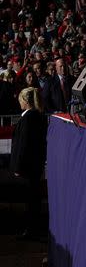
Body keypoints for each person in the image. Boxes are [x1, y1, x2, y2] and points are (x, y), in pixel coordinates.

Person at [10, 86, 47, 239]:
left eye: (20, 100)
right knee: (34, 198)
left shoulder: (28, 118)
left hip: (28, 166)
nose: (19, 103)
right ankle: (33, 228)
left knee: (30, 199)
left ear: (25, 101)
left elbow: (23, 144)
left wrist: (18, 166)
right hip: (35, 165)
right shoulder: (36, 116)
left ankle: (31, 230)